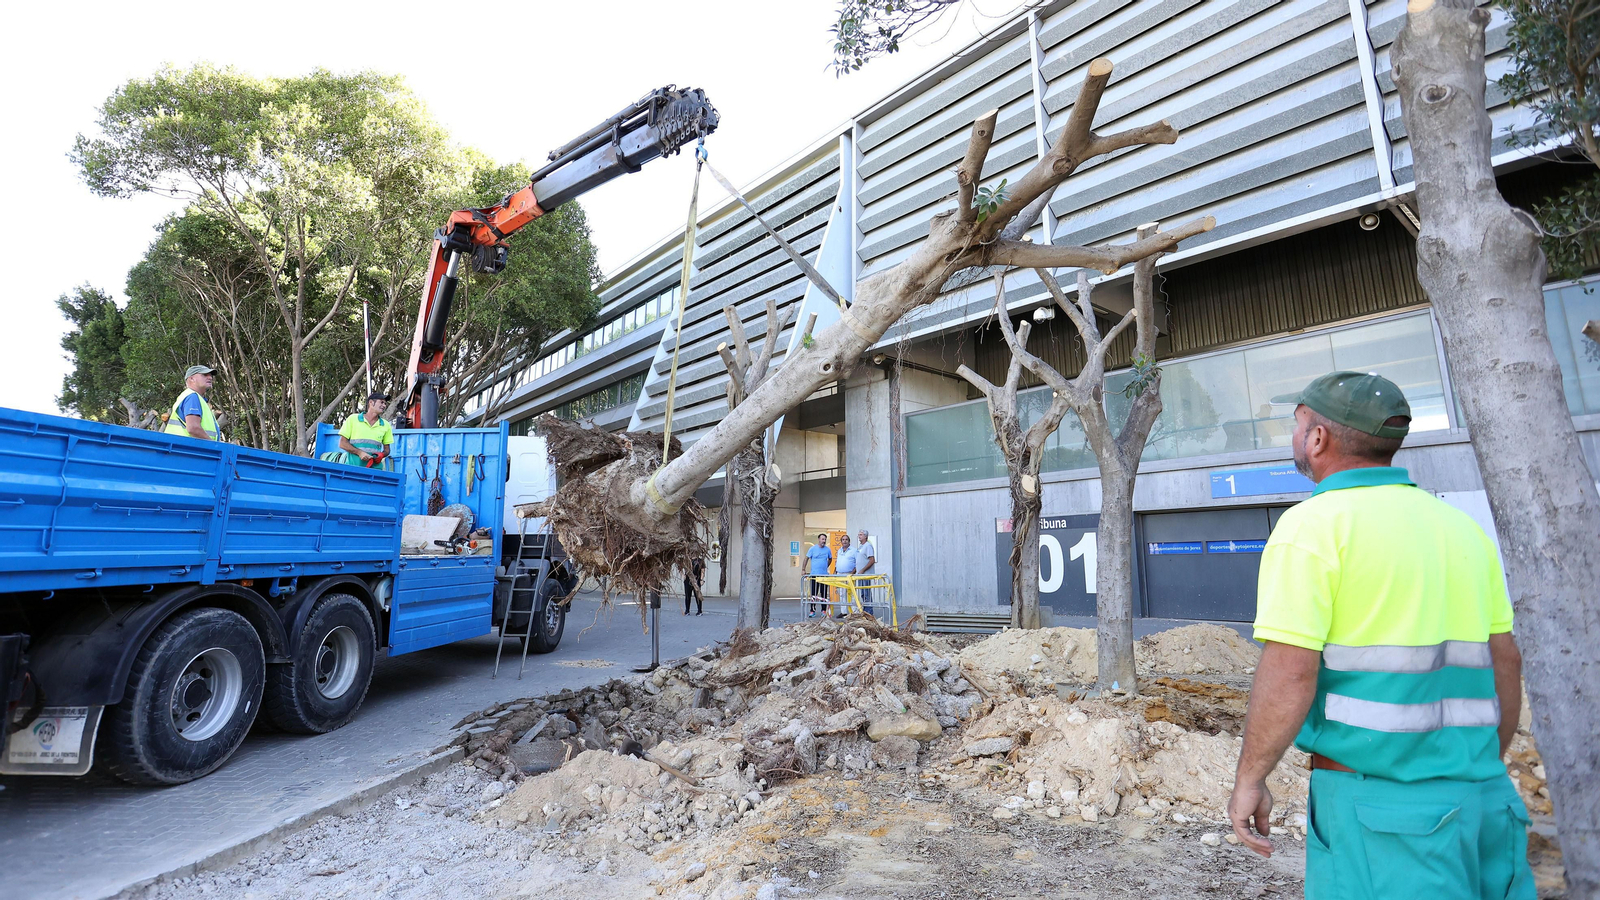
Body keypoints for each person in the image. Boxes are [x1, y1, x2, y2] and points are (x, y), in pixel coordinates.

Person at [1227, 371, 1532, 899]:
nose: (1295, 438)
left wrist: (1250, 779)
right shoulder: (1461, 528)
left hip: (1384, 816)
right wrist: (1478, 765)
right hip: (1486, 798)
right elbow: (1504, 661)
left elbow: (1291, 671)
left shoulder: (1313, 527)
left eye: (1296, 426)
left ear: (1317, 438)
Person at [164, 364, 220, 441]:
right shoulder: (192, 397)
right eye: (204, 375)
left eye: (210, 375)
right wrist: (214, 446)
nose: (210, 377)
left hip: (181, 448)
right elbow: (193, 428)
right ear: (192, 379)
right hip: (187, 449)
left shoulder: (192, 396)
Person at [339, 392, 395, 469]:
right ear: (371, 402)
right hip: (353, 468)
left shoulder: (386, 425)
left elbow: (387, 450)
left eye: (385, 403)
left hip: (375, 470)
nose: (384, 405)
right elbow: (342, 443)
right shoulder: (353, 419)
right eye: (381, 402)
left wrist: (382, 455)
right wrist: (359, 453)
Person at [805, 534, 833, 619]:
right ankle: (812, 610)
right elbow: (806, 559)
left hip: (824, 575)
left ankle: (823, 610)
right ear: (819, 539)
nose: (823, 541)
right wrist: (803, 569)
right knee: (813, 593)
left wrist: (825, 566)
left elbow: (830, 559)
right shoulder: (812, 549)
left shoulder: (828, 550)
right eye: (822, 539)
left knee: (823, 593)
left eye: (825, 539)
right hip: (814, 575)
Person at [854, 529, 877, 618]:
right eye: (858, 534)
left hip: (865, 574)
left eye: (861, 534)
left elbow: (872, 560)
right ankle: (865, 610)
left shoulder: (868, 546)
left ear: (865, 536)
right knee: (863, 593)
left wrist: (863, 569)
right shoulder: (860, 547)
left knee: (867, 593)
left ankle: (869, 612)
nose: (859, 536)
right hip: (860, 575)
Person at [833, 533, 855, 617]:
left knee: (851, 593)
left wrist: (853, 572)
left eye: (846, 539)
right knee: (842, 593)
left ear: (849, 541)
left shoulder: (853, 550)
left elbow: (857, 562)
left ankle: (854, 612)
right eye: (843, 540)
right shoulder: (839, 550)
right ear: (841, 541)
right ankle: (843, 612)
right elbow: (837, 562)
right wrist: (835, 571)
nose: (844, 541)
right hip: (840, 574)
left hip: (849, 574)